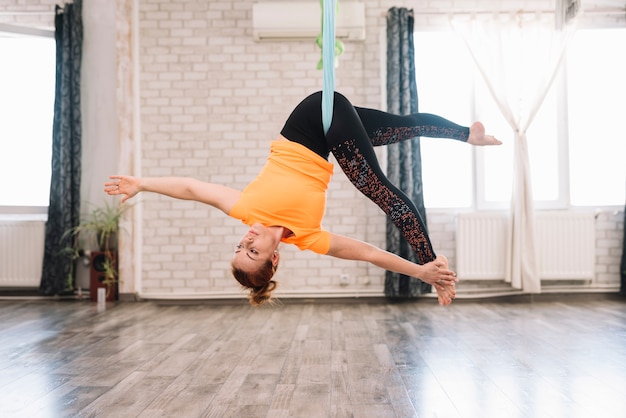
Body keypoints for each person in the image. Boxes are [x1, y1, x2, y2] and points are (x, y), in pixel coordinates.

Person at [105, 91, 501, 306]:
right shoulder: (308, 238)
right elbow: (369, 253)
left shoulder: (245, 209)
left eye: (240, 246)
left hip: (312, 118)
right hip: (332, 130)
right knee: (400, 129)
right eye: (253, 252)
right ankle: (469, 134)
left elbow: (191, 189)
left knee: (381, 191)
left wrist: (141, 183)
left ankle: (435, 261)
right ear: (274, 257)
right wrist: (418, 275)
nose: (247, 241)